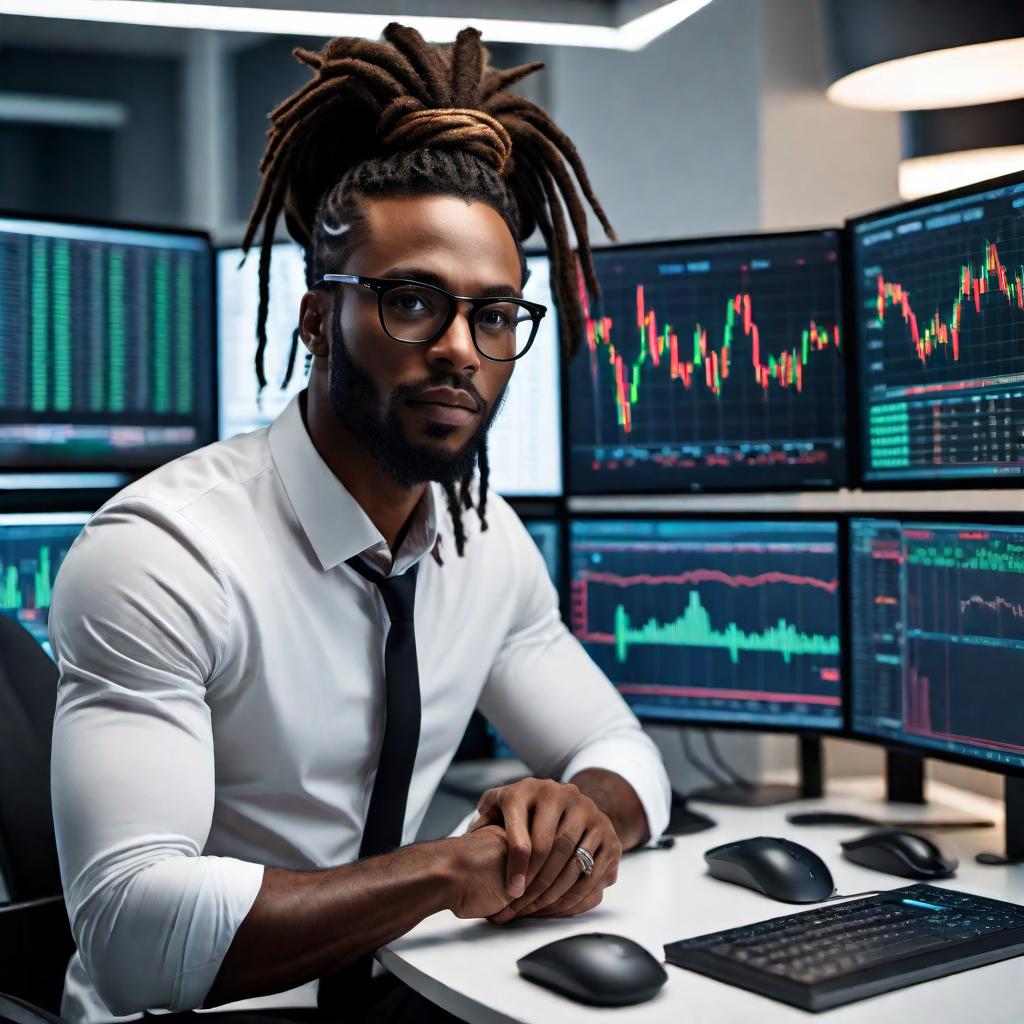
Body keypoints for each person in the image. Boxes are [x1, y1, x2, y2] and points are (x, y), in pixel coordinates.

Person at [49, 23, 671, 1024]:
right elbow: (131, 936)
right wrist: (441, 871)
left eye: (497, 314)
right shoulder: (160, 555)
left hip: (393, 996)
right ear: (314, 322)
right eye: (413, 301)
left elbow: (623, 749)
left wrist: (579, 811)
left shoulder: (482, 542)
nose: (462, 350)